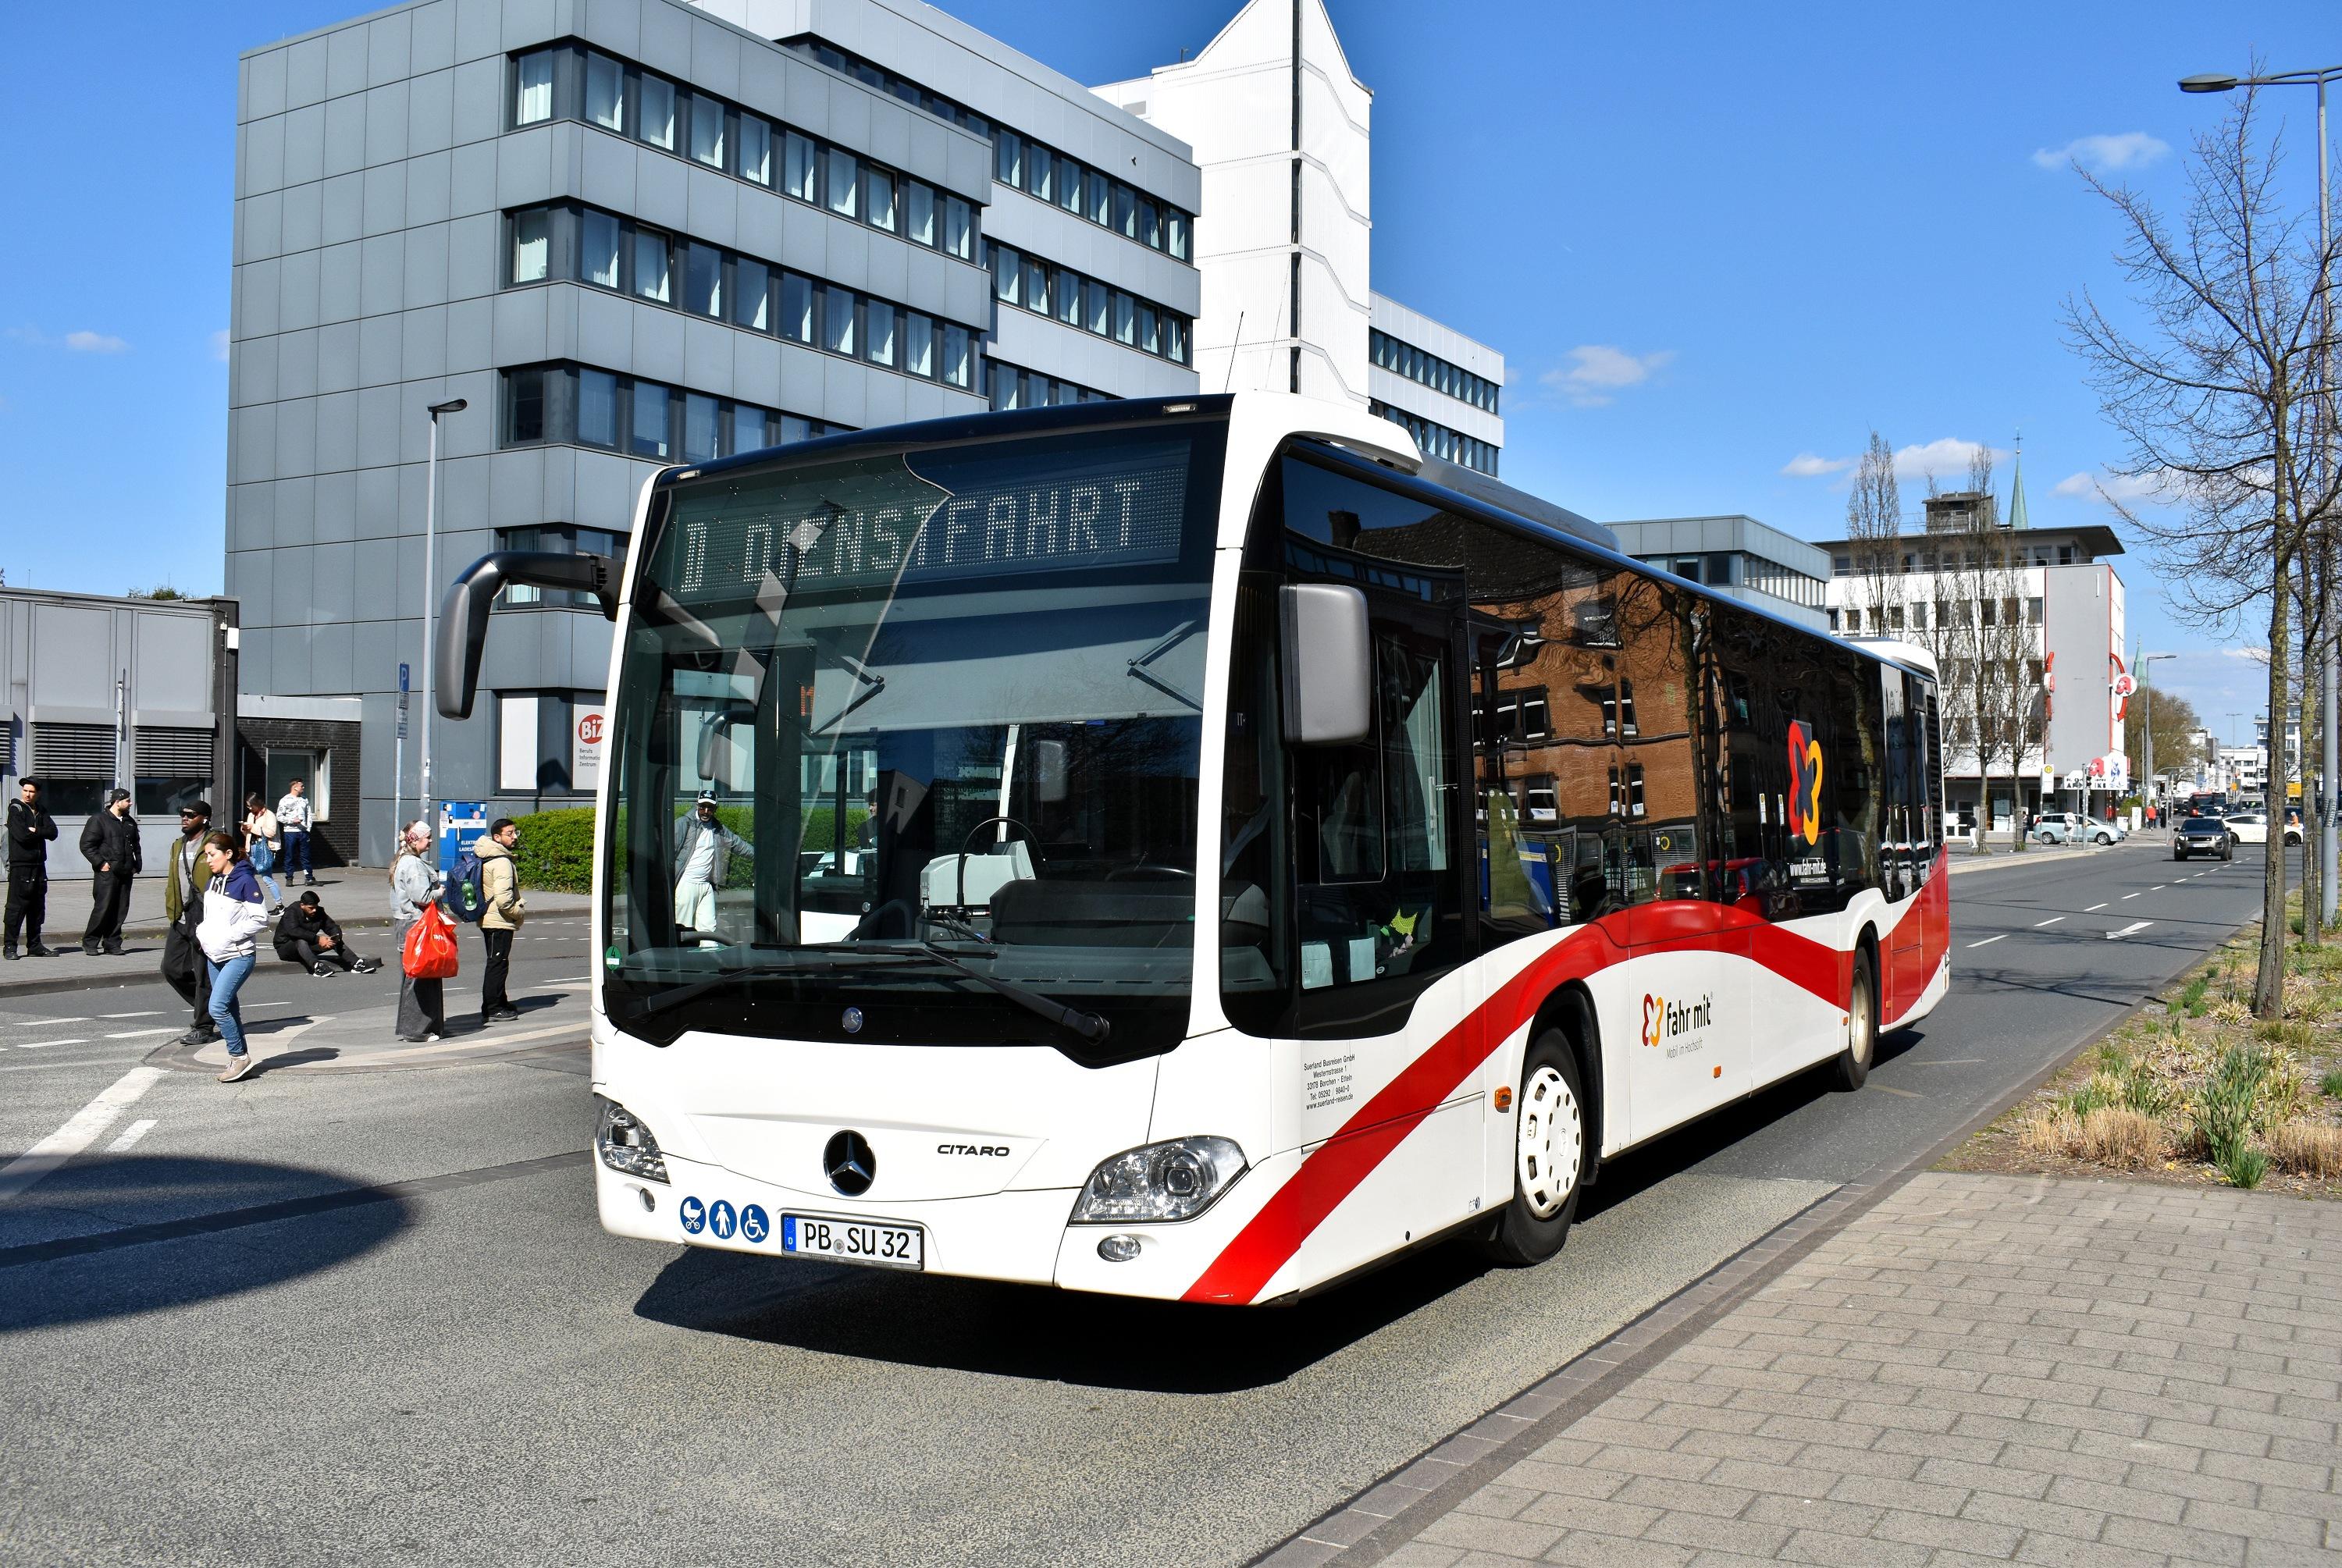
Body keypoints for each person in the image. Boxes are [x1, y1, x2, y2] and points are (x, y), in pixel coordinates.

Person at [195, 830, 269, 1083]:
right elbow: (210, 918)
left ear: (228, 854)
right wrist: (204, 935)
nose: (208, 861)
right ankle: (240, 1058)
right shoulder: (213, 881)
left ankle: (239, 1056)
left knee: (217, 1007)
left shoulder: (245, 882)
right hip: (214, 954)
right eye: (206, 856)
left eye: (212, 855)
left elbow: (260, 919)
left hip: (238, 955)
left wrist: (229, 935)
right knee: (228, 1007)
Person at [163, 802, 219, 1046]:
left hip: (206, 917)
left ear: (204, 819)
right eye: (182, 815)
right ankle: (211, 1006)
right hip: (182, 916)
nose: (184, 818)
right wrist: (172, 908)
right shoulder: (178, 844)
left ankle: (204, 1026)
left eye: (190, 815)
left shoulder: (216, 843)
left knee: (203, 975)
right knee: (171, 968)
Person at [672, 792, 753, 945]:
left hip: (706, 886)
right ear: (697, 805)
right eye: (703, 807)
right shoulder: (684, 823)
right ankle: (681, 964)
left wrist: (761, 857)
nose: (706, 811)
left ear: (715, 808)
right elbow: (667, 849)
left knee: (709, 931)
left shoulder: (718, 829)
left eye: (710, 808)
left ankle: (708, 962)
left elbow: (738, 844)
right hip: (686, 884)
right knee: (682, 928)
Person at [391, 819, 445, 1043]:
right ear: (415, 840)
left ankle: (419, 1027)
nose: (431, 841)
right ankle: (416, 1030)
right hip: (417, 925)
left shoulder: (405, 860)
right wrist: (440, 891)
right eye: (427, 838)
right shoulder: (413, 864)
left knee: (417, 976)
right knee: (421, 977)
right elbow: (422, 897)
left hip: (409, 924)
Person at [475, 816, 526, 1023]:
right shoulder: (502, 862)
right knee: (497, 964)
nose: (514, 837)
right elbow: (504, 899)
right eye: (510, 833)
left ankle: (499, 1001)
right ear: (497, 837)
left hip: (490, 918)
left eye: (516, 832)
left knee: (498, 962)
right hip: (498, 920)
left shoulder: (489, 856)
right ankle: (493, 1008)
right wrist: (519, 911)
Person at [79, 788, 141, 955]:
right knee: (103, 908)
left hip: (126, 871)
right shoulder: (99, 820)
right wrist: (101, 864)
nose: (130, 803)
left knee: (120, 910)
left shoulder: (129, 822)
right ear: (117, 801)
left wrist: (137, 865)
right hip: (107, 873)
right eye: (127, 800)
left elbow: (136, 845)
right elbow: (86, 845)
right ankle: (90, 942)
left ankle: (112, 943)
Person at [4, 777, 61, 959]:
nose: (28, 794)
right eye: (25, 791)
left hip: (39, 866)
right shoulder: (16, 810)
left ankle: (35, 945)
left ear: (38, 794)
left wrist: (36, 830)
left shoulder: (41, 810)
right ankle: (10, 947)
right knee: (16, 908)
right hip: (21, 866)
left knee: (37, 908)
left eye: (32, 792)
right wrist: (37, 833)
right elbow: (22, 837)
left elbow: (53, 833)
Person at [273, 891, 379, 976]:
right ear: (302, 905)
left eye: (316, 907)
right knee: (301, 941)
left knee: (333, 940)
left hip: (308, 946)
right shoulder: (291, 912)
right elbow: (294, 931)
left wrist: (336, 936)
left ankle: (357, 964)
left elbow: (332, 926)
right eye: (311, 908)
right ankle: (317, 967)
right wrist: (318, 939)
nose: (314, 910)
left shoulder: (319, 912)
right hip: (286, 948)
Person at [241, 793, 287, 915]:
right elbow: (249, 833)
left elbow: (271, 833)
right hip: (251, 848)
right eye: (248, 806)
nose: (249, 809)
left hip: (263, 849)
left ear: (257, 804)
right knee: (248, 877)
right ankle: (249, 904)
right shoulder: (251, 815)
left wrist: (252, 827)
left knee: (267, 878)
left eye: (251, 806)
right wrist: (245, 829)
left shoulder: (269, 815)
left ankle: (280, 906)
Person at [277, 777, 315, 886]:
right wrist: (291, 820)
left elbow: (309, 814)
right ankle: (289, 877)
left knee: (305, 855)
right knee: (290, 854)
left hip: (303, 831)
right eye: (301, 786)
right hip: (290, 831)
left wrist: (308, 829)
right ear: (295, 787)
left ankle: (309, 877)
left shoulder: (304, 799)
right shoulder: (285, 800)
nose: (303, 788)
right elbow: (279, 816)